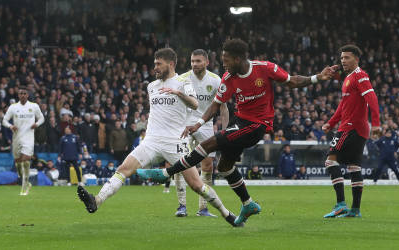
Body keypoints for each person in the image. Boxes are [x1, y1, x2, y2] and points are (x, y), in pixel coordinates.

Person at [137, 39, 335, 224]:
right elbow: (216, 105)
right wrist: (198, 123)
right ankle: (248, 204)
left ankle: (166, 173)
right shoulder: (229, 77)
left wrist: (318, 77)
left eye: (226, 60)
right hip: (240, 121)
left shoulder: (264, 68)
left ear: (238, 59)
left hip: (258, 124)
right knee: (224, 166)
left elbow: (292, 81)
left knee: (209, 143)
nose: (224, 64)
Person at [77, 48, 242, 227]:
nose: (154, 68)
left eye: (158, 64)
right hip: (151, 141)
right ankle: (97, 200)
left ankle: (226, 213)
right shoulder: (152, 86)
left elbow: (195, 104)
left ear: (170, 64)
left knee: (196, 184)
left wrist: (178, 93)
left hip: (175, 143)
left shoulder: (183, 82)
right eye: (154, 64)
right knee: (123, 169)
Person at [321, 45, 381, 218]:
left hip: (350, 127)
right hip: (356, 128)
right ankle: (355, 209)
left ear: (356, 59)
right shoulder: (348, 78)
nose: (343, 61)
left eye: (347, 57)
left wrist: (376, 124)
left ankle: (340, 204)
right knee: (354, 167)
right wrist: (331, 122)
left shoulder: (360, 75)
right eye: (341, 58)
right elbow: (344, 105)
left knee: (330, 161)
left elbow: (372, 98)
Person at [173, 49, 229, 218]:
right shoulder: (182, 79)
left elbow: (223, 107)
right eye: (192, 61)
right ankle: (181, 206)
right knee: (180, 163)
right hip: (185, 124)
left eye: (198, 61)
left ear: (206, 62)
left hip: (205, 126)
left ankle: (203, 208)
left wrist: (225, 132)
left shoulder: (215, 80)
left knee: (207, 166)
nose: (194, 64)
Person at [2, 86, 45, 196]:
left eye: (25, 93)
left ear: (28, 95)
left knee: (26, 161)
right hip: (17, 138)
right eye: (21, 93)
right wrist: (11, 126)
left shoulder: (34, 106)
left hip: (29, 138)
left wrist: (37, 124)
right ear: (18, 95)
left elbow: (41, 118)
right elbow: (4, 120)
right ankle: (25, 181)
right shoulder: (13, 107)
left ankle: (24, 186)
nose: (23, 95)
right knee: (18, 164)